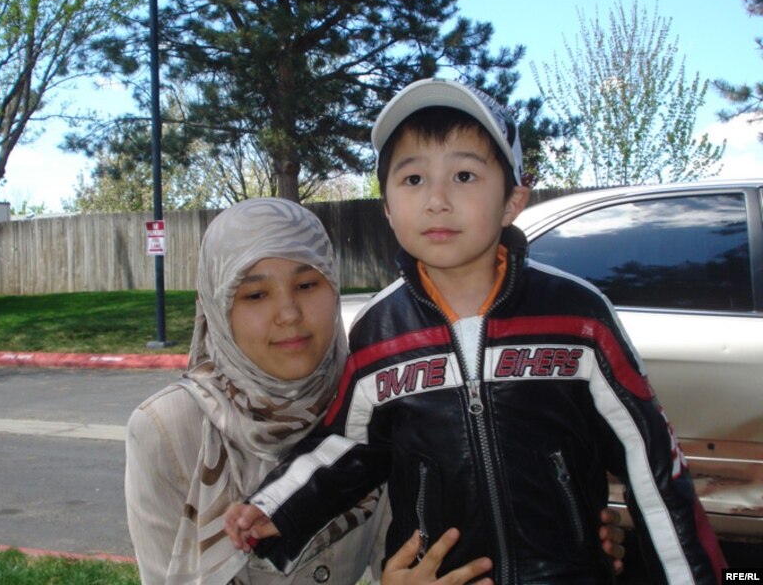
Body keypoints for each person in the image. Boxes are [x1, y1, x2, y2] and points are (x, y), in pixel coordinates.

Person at [224, 79, 728, 584]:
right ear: (387, 208)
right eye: (413, 179)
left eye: (464, 175)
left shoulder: (577, 317)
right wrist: (276, 506)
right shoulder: (380, 331)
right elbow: (347, 444)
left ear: (512, 200)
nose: (437, 200)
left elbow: (652, 464)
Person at [125, 197, 626, 584]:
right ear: (217, 310)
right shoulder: (168, 430)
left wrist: (580, 532)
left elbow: (427, 549)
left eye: (307, 285)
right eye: (255, 294)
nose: (289, 314)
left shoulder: (378, 399)